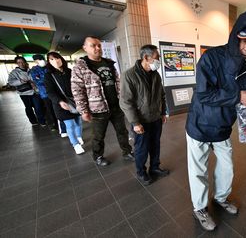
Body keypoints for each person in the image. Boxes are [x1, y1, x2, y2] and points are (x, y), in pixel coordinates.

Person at [186, 11, 246, 231]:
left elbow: (244, 96)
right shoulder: (211, 58)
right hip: (200, 125)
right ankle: (200, 208)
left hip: (223, 126)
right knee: (198, 171)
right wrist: (239, 96)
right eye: (245, 41)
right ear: (235, 37)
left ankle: (221, 198)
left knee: (226, 168)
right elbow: (204, 94)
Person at [71, 36, 134, 166]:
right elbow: (77, 90)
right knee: (98, 136)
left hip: (116, 106)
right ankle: (98, 156)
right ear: (85, 48)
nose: (97, 48)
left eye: (99, 45)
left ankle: (127, 152)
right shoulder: (80, 67)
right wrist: (83, 110)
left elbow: (118, 83)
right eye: (93, 45)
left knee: (122, 131)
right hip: (97, 108)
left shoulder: (109, 63)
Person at [119, 44, 170, 185]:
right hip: (141, 121)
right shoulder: (129, 75)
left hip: (156, 118)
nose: (159, 60)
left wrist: (163, 112)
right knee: (141, 148)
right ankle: (141, 172)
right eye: (157, 57)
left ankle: (154, 168)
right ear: (146, 58)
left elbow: (162, 95)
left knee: (155, 145)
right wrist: (135, 123)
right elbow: (125, 102)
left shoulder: (155, 75)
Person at [44, 52, 85, 155]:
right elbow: (50, 92)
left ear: (61, 59)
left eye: (57, 58)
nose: (55, 61)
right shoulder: (48, 75)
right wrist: (60, 101)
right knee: (70, 124)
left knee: (78, 122)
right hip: (61, 105)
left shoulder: (69, 71)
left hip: (75, 102)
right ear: (49, 62)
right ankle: (75, 144)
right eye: (51, 59)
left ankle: (79, 136)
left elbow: (77, 86)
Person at [8, 56, 46, 126]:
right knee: (29, 108)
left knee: (38, 107)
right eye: (19, 62)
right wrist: (20, 81)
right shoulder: (14, 72)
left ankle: (42, 121)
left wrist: (35, 81)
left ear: (25, 62)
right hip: (24, 93)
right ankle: (33, 121)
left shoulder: (30, 70)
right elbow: (10, 82)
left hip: (35, 92)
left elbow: (36, 78)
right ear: (16, 63)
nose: (21, 64)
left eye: (22, 62)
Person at [30, 54, 59, 131]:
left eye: (41, 59)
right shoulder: (34, 70)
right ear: (35, 61)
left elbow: (56, 77)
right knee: (50, 110)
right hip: (45, 93)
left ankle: (62, 123)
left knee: (59, 107)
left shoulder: (50, 67)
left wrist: (42, 78)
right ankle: (55, 124)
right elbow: (37, 82)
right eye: (37, 60)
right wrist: (47, 79)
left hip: (56, 91)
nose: (40, 61)